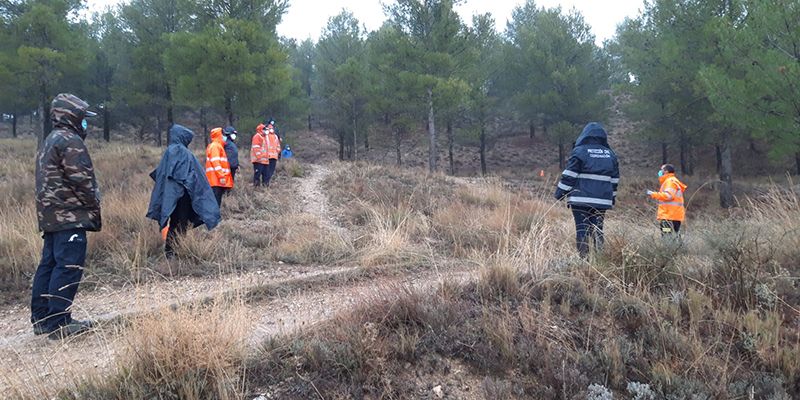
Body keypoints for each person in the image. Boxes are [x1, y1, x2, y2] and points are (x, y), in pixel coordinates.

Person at [32, 93, 100, 340]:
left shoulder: (50, 140)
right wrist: (93, 206)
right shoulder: (70, 141)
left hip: (51, 217)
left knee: (48, 265)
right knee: (68, 267)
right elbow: (82, 181)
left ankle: (42, 319)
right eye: (83, 118)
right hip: (69, 217)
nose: (86, 124)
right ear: (73, 116)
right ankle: (59, 322)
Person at [147, 124, 221, 258]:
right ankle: (172, 252)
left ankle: (172, 250)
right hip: (181, 196)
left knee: (175, 222)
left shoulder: (170, 151)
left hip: (172, 195)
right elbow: (188, 176)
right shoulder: (181, 152)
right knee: (180, 223)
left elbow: (161, 174)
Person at [554, 122, 620, 258]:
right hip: (602, 200)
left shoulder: (580, 151)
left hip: (580, 200)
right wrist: (611, 198)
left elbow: (569, 175)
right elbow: (614, 180)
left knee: (582, 229)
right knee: (597, 229)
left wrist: (560, 193)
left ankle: (584, 260)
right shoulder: (610, 154)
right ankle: (600, 260)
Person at [647, 164, 687, 235]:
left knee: (666, 235)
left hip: (669, 216)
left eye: (661, 170)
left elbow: (668, 196)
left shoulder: (670, 182)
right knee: (674, 236)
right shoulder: (672, 181)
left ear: (666, 171)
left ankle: (669, 246)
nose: (660, 171)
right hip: (673, 216)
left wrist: (653, 194)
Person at [205, 127, 233, 206]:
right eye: (223, 135)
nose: (225, 137)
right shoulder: (215, 146)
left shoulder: (217, 146)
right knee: (215, 202)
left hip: (216, 180)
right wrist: (221, 177)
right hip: (216, 180)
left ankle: (214, 217)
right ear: (219, 135)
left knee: (216, 201)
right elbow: (216, 163)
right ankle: (214, 217)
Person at [263, 122, 282, 186]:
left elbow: (278, 145)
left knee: (271, 171)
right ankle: (265, 182)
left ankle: (267, 182)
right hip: (267, 156)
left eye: (272, 128)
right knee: (267, 171)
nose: (271, 129)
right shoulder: (265, 136)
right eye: (269, 128)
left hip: (274, 156)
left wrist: (278, 153)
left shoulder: (276, 137)